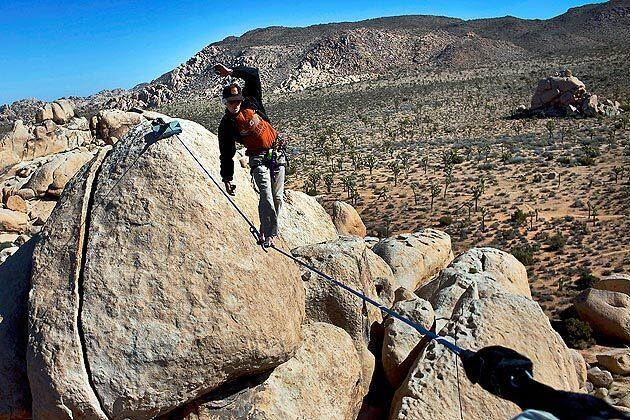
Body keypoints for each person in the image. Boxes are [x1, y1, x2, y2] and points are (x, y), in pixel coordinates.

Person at [214, 63, 286, 248]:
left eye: (237, 100)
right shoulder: (227, 125)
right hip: (257, 158)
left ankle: (268, 226)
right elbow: (226, 152)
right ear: (225, 102)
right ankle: (268, 233)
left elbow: (253, 74)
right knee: (266, 195)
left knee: (278, 198)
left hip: (277, 152)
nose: (235, 104)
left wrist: (232, 72)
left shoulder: (252, 100)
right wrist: (227, 177)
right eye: (231, 102)